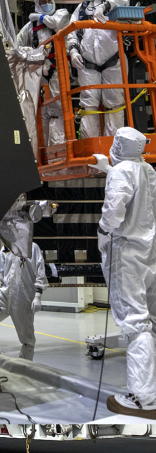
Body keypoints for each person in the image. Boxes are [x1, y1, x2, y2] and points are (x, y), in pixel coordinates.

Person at [91, 127, 156, 419]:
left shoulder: (121, 173)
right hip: (148, 252)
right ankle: (152, 388)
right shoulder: (148, 170)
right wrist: (109, 169)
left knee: (134, 322)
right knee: (150, 320)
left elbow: (115, 210)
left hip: (126, 254)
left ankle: (144, 398)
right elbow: (138, 194)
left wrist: (103, 231)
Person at [66, 0, 129, 138]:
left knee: (115, 103)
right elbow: (71, 33)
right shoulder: (81, 9)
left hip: (113, 61)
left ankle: (115, 145)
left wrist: (105, 6)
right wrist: (73, 51)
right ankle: (91, 148)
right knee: (89, 105)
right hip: (87, 64)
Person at [17, 0, 69, 146]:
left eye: (49, 0)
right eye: (43, 2)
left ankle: (59, 151)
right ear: (37, 4)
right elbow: (17, 46)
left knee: (58, 111)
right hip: (39, 74)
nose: (47, 4)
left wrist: (39, 17)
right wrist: (31, 54)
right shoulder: (30, 27)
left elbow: (56, 23)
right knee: (43, 113)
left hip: (58, 71)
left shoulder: (62, 14)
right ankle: (45, 152)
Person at [0, 241, 48, 361]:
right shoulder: (5, 248)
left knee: (27, 337)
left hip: (23, 298)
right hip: (4, 296)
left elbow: (40, 272)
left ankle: (25, 365)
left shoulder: (32, 248)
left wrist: (38, 295)